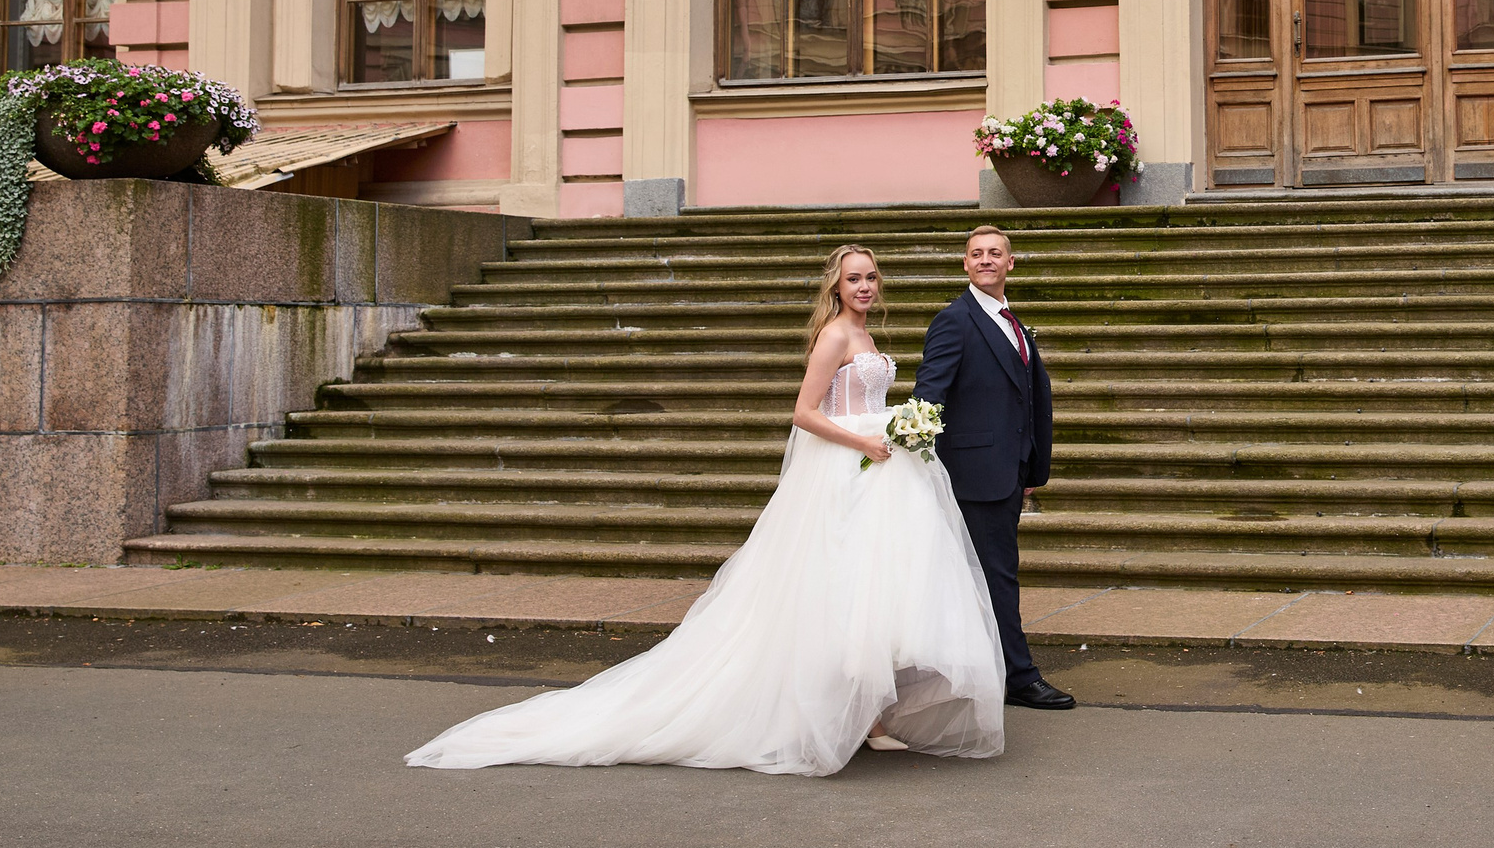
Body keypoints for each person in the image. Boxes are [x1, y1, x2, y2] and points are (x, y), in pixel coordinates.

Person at [403, 244, 1006, 777]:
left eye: (872, 277)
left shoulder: (867, 337)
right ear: (835, 287)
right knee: (835, 593)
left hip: (878, 470)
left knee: (867, 596)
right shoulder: (834, 336)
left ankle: (867, 715)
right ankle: (840, 717)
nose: (865, 287)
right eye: (854, 279)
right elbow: (804, 412)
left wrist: (899, 428)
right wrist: (867, 441)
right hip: (851, 466)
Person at [912, 225, 1076, 712]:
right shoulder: (954, 320)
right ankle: (1019, 677)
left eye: (995, 253)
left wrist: (1029, 467)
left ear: (1011, 263)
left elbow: (1027, 398)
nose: (986, 260)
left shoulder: (1014, 323)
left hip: (1007, 472)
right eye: (976, 253)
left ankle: (986, 669)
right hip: (971, 474)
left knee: (987, 575)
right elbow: (928, 396)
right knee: (997, 576)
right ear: (965, 264)